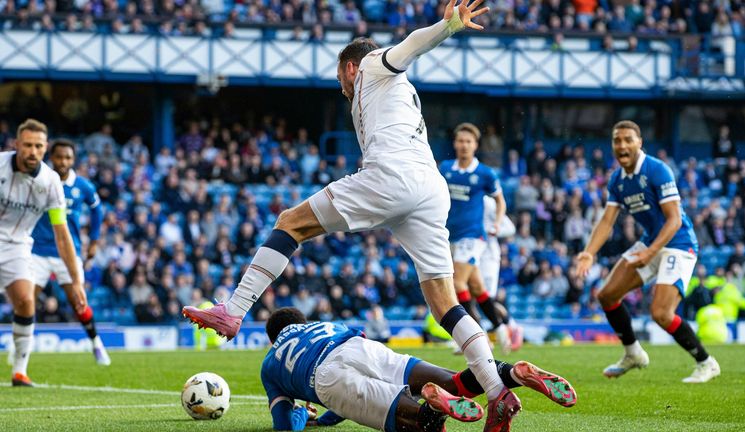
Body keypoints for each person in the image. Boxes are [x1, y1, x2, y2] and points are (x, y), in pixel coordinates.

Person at [183, 2, 525, 430]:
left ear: (348, 67)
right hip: (430, 189)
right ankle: (497, 392)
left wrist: (446, 27)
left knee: (290, 222)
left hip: (392, 178)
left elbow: (409, 47)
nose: (343, 89)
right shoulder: (389, 93)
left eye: (339, 80)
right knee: (445, 303)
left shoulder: (371, 67)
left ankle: (233, 309)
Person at [261, 308, 577, 431]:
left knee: (418, 423)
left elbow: (284, 426)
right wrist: (331, 418)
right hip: (357, 347)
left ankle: (433, 410)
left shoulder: (271, 362)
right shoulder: (323, 324)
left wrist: (305, 416)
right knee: (453, 383)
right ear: (300, 323)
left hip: (326, 378)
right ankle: (510, 374)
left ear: (274, 338)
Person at [574, 120, 721, 384]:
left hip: (678, 242)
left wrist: (651, 251)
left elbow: (674, 219)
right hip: (651, 242)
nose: (622, 145)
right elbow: (607, 221)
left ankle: (706, 362)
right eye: (617, 140)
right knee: (607, 295)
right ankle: (633, 354)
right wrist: (589, 252)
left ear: (639, 143)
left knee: (661, 314)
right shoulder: (617, 179)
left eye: (628, 139)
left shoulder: (657, 170)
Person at [0, 119, 86, 386]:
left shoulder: (51, 183)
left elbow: (63, 235)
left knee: (26, 302)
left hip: (17, 246)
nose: (32, 151)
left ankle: (20, 371)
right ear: (16, 145)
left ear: (45, 148)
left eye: (38, 146)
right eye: (27, 145)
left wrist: (76, 280)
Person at [29, 139, 110, 366]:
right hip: (37, 251)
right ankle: (21, 353)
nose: (63, 161)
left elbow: (97, 212)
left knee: (79, 302)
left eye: (67, 157)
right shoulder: (39, 181)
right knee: (26, 302)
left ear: (73, 160)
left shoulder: (83, 186)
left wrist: (94, 240)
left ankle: (96, 343)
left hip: (69, 254)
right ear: (51, 158)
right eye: (59, 157)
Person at [439, 123, 512, 353]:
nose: (463, 145)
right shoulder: (445, 169)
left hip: (473, 236)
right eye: (460, 141)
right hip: (449, 235)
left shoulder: (484, 174)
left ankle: (473, 337)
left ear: (475, 145)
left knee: (457, 283)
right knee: (477, 288)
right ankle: (501, 328)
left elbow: (500, 201)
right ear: (455, 143)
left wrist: (498, 222)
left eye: (468, 142)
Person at [479, 195, 524, 351]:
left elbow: (509, 227)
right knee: (466, 297)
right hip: (471, 254)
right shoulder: (461, 198)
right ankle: (480, 339)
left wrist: (493, 229)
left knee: (484, 299)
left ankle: (512, 326)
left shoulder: (488, 203)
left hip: (488, 256)